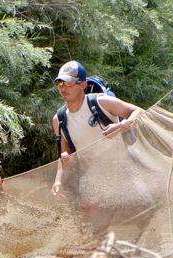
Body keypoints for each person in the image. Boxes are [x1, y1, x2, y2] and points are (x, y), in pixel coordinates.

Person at [50, 61, 142, 195]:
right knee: (95, 216)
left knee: (144, 212)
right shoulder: (59, 119)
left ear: (83, 84)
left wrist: (121, 126)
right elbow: (64, 154)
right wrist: (58, 181)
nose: (63, 88)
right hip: (92, 183)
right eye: (60, 83)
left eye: (68, 83)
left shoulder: (102, 102)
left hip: (125, 174)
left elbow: (140, 112)